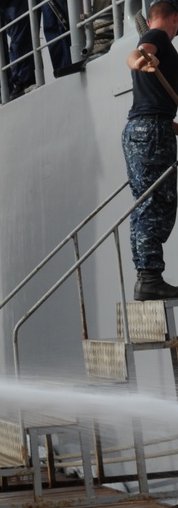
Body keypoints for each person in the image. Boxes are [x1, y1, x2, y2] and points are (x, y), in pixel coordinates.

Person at [123, 0, 178, 300]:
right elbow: (137, 54)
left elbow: (156, 111)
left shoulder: (158, 42)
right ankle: (149, 277)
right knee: (159, 203)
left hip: (143, 128)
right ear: (174, 18)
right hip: (152, 131)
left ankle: (146, 275)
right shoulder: (157, 37)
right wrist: (141, 61)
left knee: (145, 203)